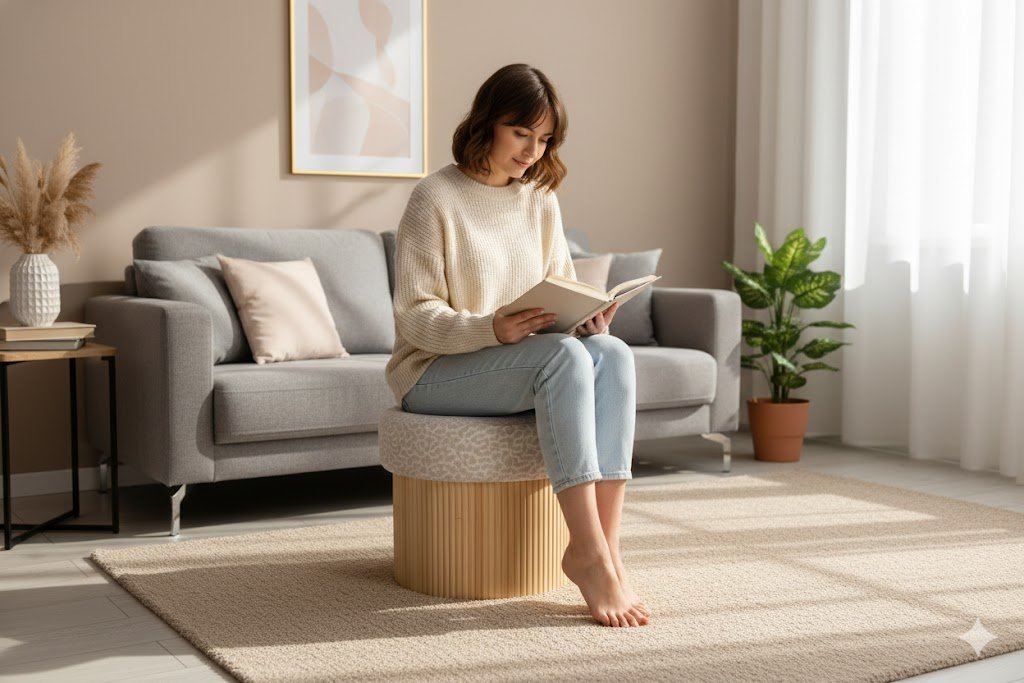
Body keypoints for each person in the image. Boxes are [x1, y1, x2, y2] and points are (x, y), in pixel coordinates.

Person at [385, 64, 650, 628]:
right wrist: (491, 329)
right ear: (487, 124)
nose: (533, 151)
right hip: (435, 371)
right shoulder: (434, 197)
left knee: (612, 354)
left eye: (545, 138)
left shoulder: (539, 200)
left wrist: (585, 321)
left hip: (518, 362)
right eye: (521, 133)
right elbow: (415, 317)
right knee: (561, 358)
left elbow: (560, 294)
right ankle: (586, 553)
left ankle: (607, 550)